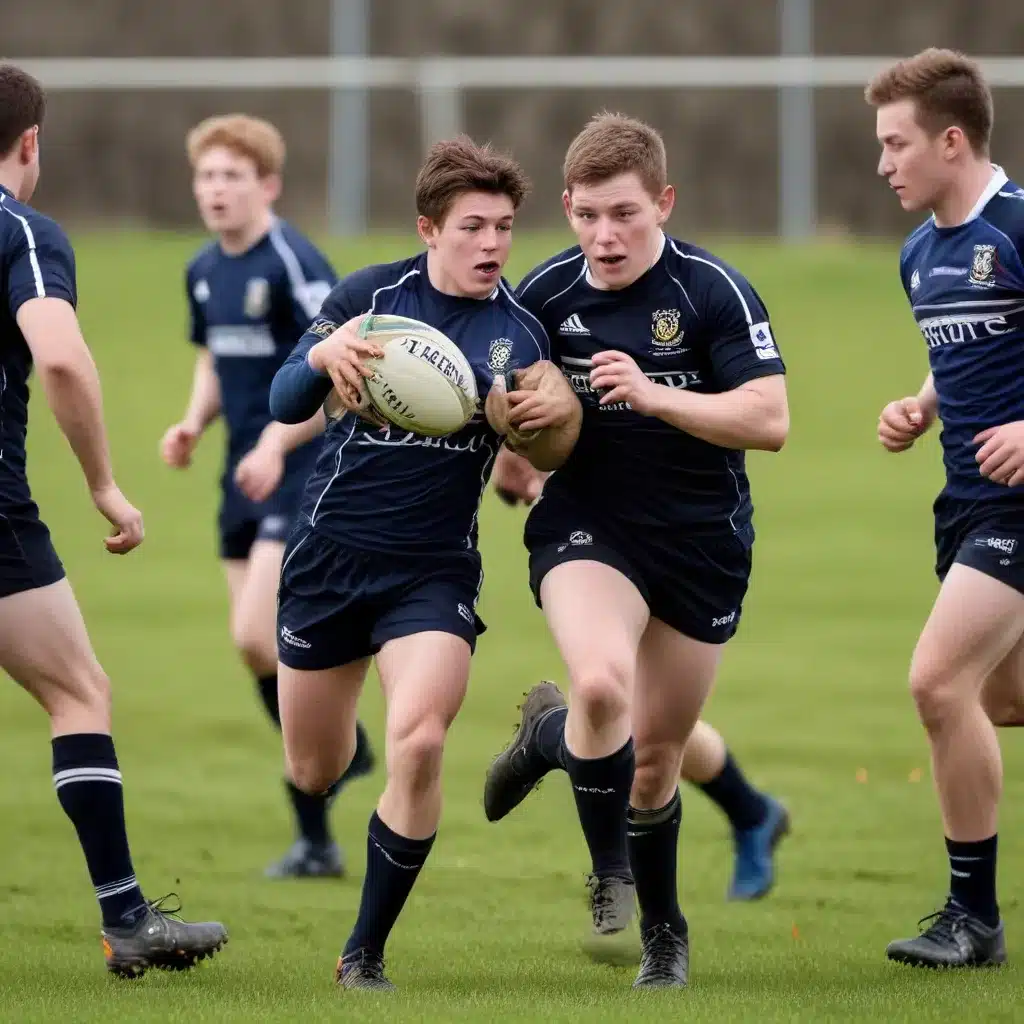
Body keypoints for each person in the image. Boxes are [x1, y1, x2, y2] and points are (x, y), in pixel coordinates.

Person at [483, 112, 789, 989]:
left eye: (624, 214)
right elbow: (505, 391)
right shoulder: (542, 294)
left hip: (702, 544)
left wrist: (656, 397)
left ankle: (548, 739)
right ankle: (660, 932)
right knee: (603, 686)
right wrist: (514, 442)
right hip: (590, 529)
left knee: (655, 757)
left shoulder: (712, 292)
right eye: (585, 215)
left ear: (664, 201)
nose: (604, 236)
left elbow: (770, 420)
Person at [267, 135, 581, 991]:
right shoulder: (373, 297)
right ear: (429, 228)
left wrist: (557, 410)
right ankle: (343, 760)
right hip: (328, 563)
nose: (491, 244)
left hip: (432, 573)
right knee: (315, 769)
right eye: (473, 226)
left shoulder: (521, 329)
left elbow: (552, 443)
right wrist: (321, 357)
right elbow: (283, 396)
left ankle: (362, 953)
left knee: (420, 742)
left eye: (505, 227)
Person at [0, 63, 227, 976]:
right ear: (30, 144)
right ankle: (125, 916)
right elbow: (59, 359)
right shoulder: (22, 229)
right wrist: (101, 483)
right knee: (78, 691)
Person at [160, 114, 374, 879]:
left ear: (268, 186)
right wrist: (192, 422)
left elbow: (337, 372)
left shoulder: (294, 262)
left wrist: (277, 444)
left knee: (259, 635)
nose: (216, 191)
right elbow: (216, 361)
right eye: (207, 177)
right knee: (256, 643)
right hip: (238, 476)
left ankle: (332, 754)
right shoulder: (201, 269)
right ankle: (318, 831)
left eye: (232, 177)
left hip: (302, 468)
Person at [868, 47, 1022, 968]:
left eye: (897, 144)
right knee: (1000, 699)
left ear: (951, 140)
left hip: (1018, 509)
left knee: (936, 684)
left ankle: (975, 919)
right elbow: (967, 340)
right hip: (963, 503)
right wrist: (923, 401)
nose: (884, 164)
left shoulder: (1016, 226)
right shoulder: (921, 251)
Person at [492, 459, 789, 907]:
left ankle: (550, 733)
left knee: (644, 725)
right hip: (597, 519)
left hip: (680, 518)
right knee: (612, 702)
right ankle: (747, 813)